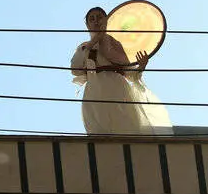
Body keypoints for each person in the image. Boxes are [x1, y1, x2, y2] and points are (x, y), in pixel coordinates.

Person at [70, 7, 172, 135]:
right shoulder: (84, 47)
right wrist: (92, 43)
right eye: (92, 19)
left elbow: (130, 74)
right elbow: (75, 69)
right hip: (95, 89)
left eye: (99, 17)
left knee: (125, 126)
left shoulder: (115, 44)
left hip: (118, 88)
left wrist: (141, 66)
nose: (96, 21)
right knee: (100, 129)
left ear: (106, 20)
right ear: (87, 25)